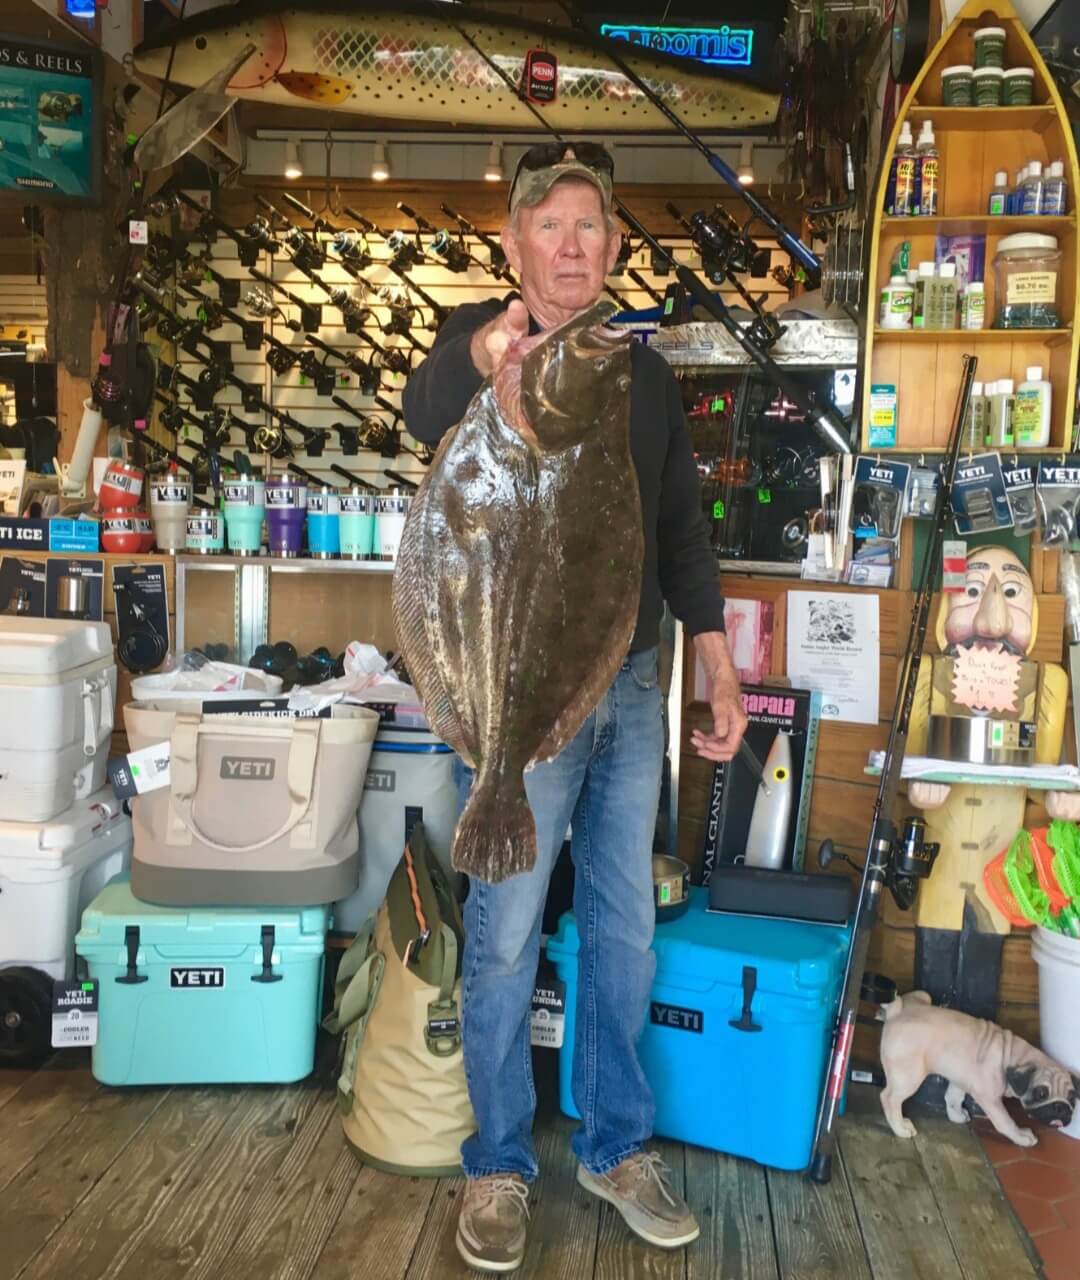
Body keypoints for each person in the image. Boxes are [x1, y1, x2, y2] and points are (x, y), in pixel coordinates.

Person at [402, 142, 746, 1274]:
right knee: (500, 938)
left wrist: (714, 651)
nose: (572, 245)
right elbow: (422, 409)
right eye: (549, 224)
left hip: (632, 682)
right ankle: (498, 1160)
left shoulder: (633, 370)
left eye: (590, 225)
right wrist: (482, 351)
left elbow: (681, 525)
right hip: (518, 692)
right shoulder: (486, 349)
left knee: (624, 928)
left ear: (612, 247)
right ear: (514, 244)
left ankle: (614, 1142)